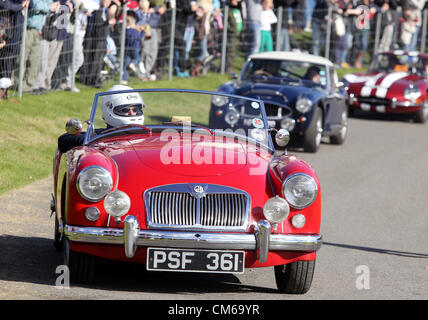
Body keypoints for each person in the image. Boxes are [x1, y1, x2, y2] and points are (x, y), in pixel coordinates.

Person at [58, 85, 145, 153]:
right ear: (109, 110)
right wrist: (93, 141)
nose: (132, 113)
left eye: (136, 109)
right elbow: (63, 140)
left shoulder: (149, 133)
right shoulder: (100, 136)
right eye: (125, 110)